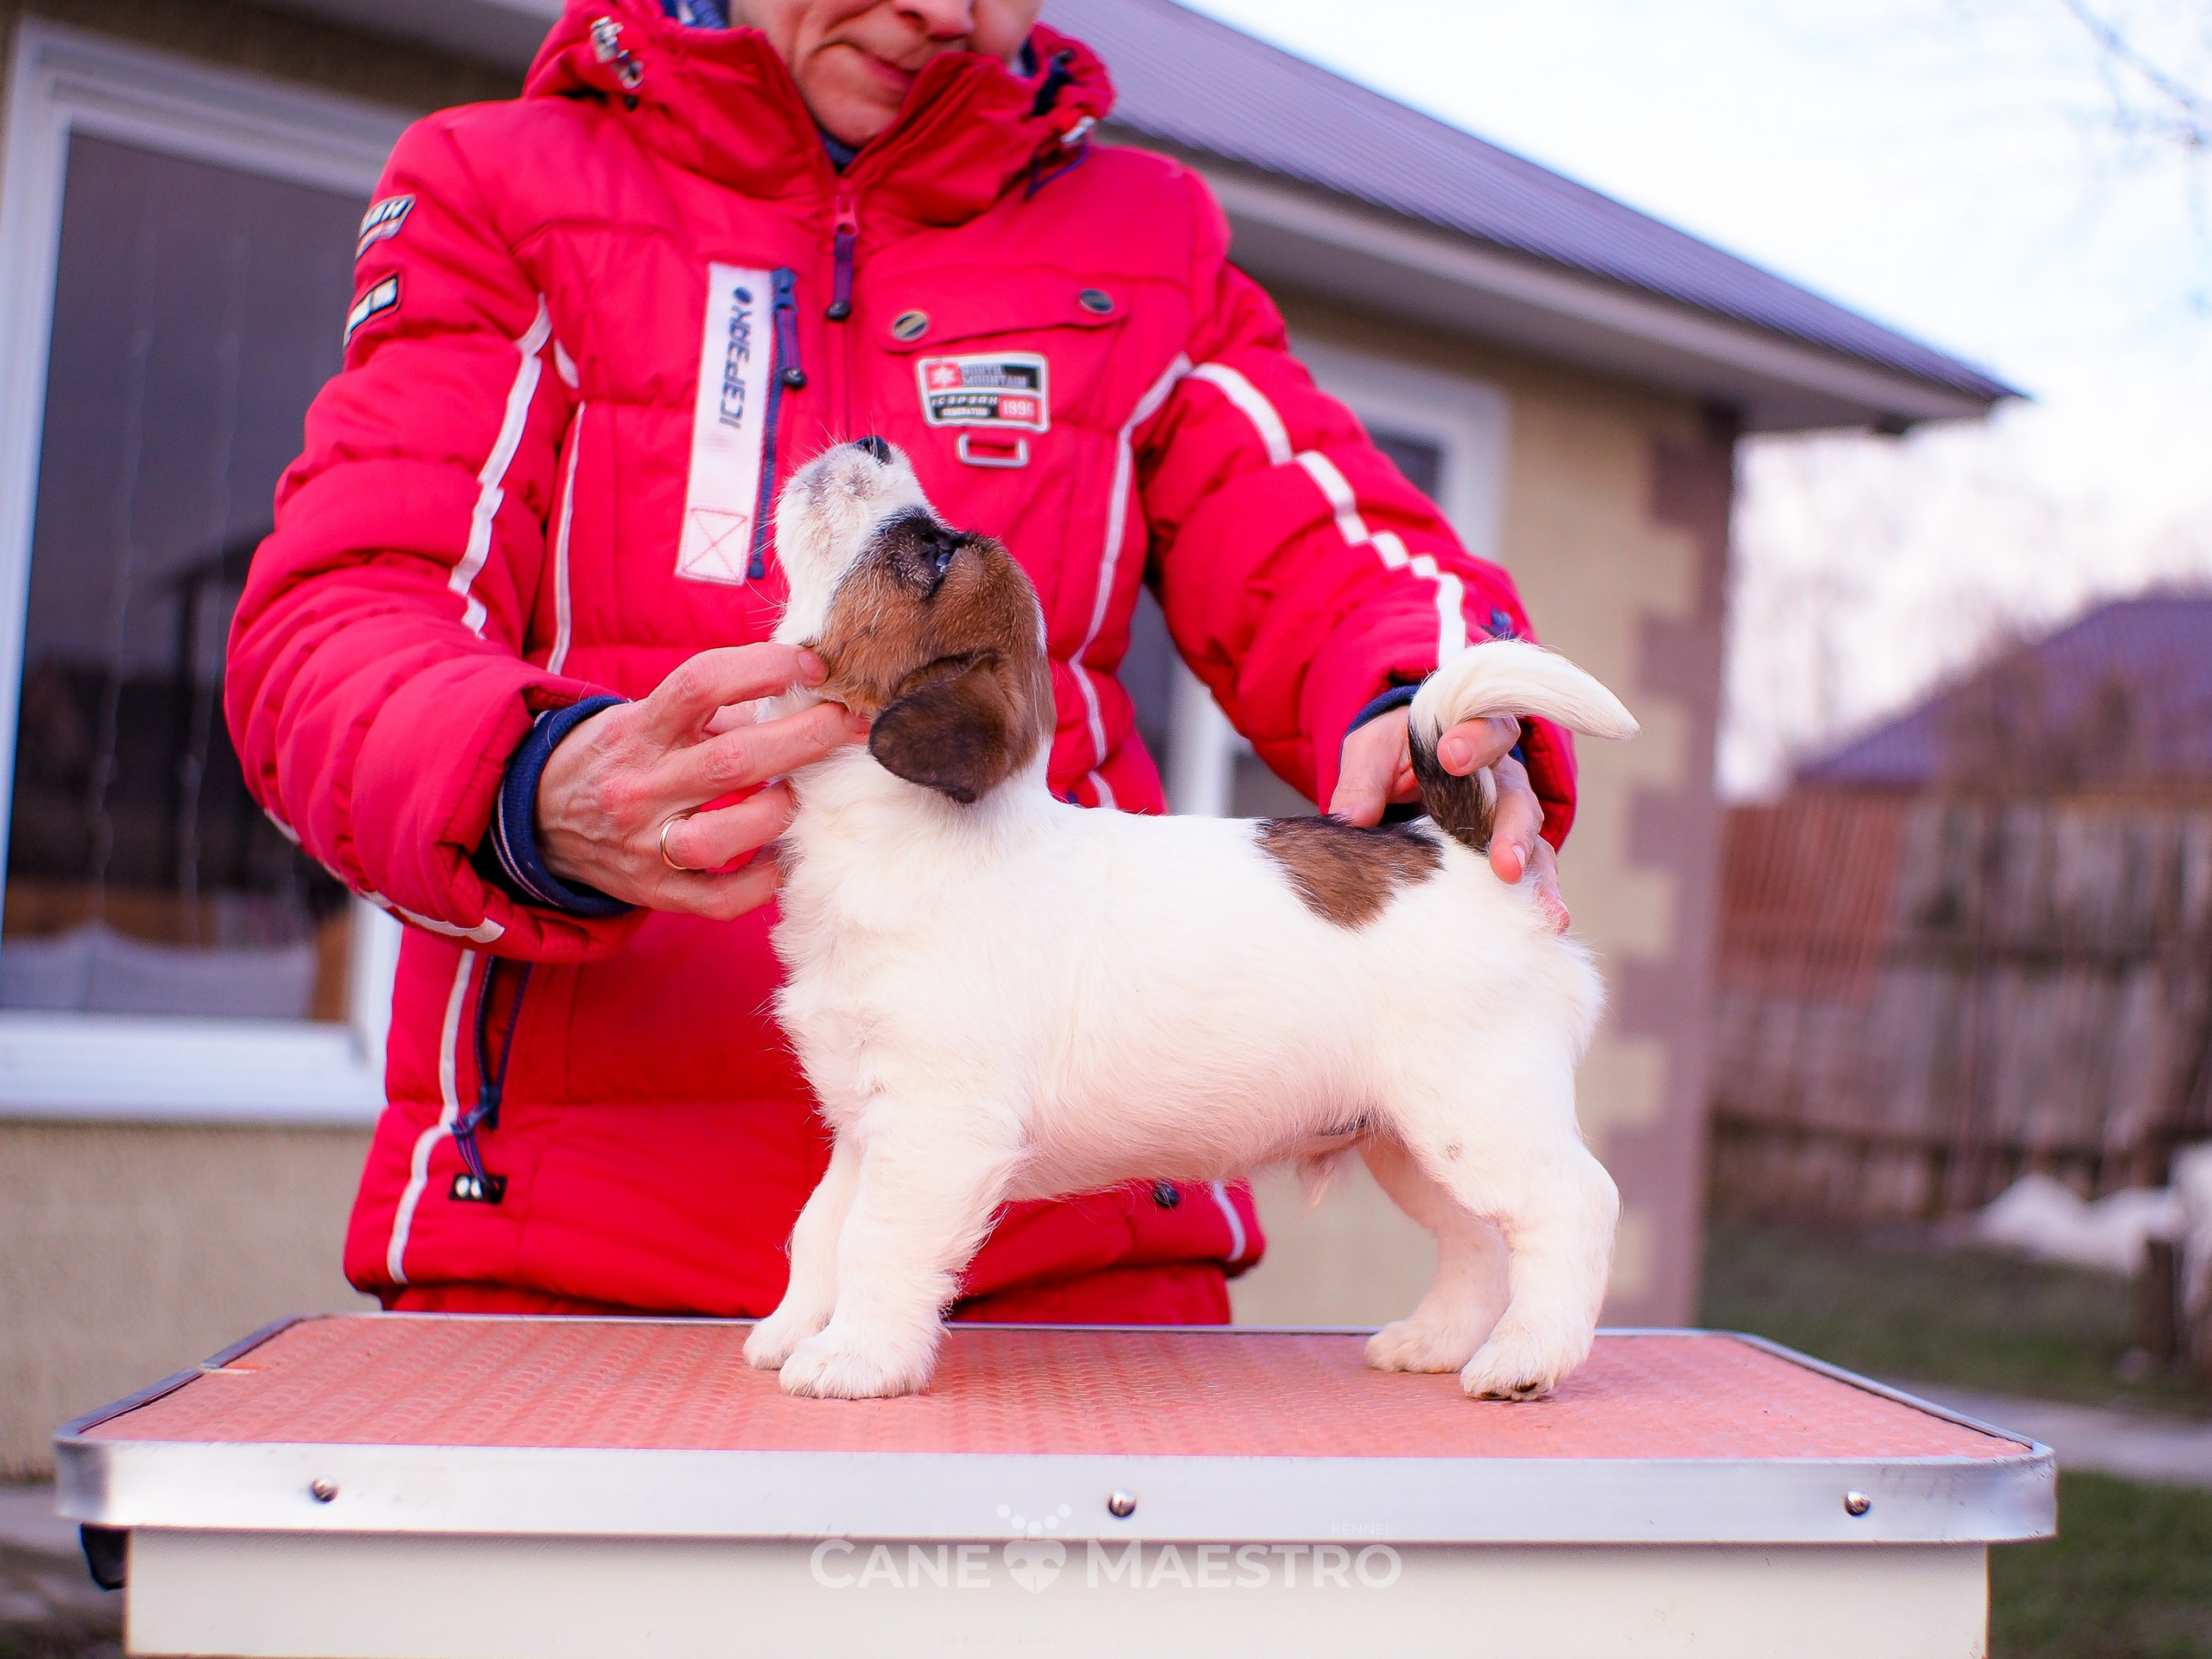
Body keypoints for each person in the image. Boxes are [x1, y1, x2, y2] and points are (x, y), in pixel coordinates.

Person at [226, 0, 1580, 1325]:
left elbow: (1336, 545)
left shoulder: (1145, 236)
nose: (943, 10)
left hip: (1080, 1279)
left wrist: (1434, 708)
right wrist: (521, 786)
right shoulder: (500, 184)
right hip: (565, 1258)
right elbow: (336, 622)